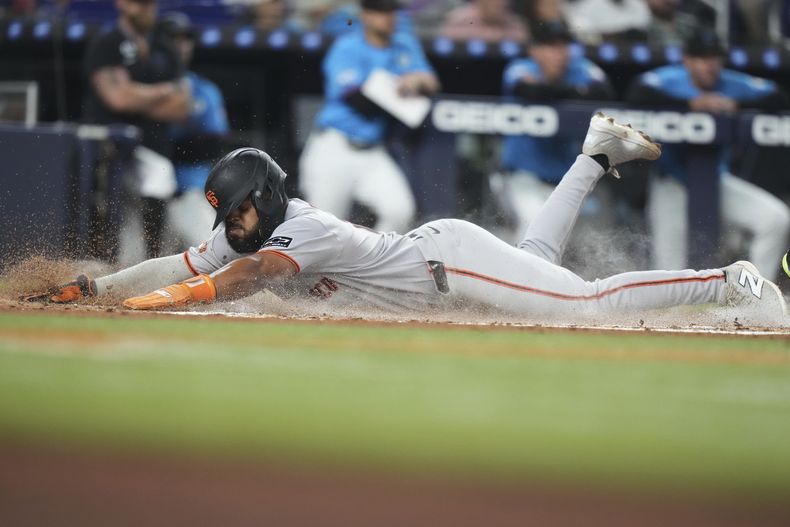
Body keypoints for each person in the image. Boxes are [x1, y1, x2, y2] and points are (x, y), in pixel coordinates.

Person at [34, 114, 788, 321]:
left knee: (585, 305)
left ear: (262, 197)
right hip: (443, 273)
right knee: (541, 268)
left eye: (237, 213)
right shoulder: (245, 233)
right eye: (227, 218)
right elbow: (186, 263)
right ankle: (594, 155)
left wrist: (167, 302)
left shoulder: (299, 229)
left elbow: (249, 275)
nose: (231, 227)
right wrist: (100, 289)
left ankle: (732, 280)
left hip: (448, 263)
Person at [626, 28, 790, 281]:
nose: (710, 65)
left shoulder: (730, 83)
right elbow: (636, 92)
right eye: (702, 57)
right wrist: (690, 105)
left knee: (775, 219)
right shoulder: (671, 79)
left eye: (714, 57)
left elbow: (777, 96)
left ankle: (756, 294)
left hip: (715, 181)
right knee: (668, 268)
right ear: (687, 59)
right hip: (671, 182)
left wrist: (739, 105)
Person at [298, 0, 440, 234]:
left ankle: (376, 256)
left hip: (373, 152)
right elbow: (358, 99)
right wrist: (399, 86)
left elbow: (432, 83)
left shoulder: (404, 44)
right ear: (365, 15)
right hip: (334, 148)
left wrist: (417, 80)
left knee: (399, 211)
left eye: (392, 11)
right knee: (323, 227)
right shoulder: (347, 47)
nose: (389, 17)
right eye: (381, 12)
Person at [82, 0, 191, 260]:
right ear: (122, 3)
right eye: (139, 3)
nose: (146, 8)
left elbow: (181, 107)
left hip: (153, 147)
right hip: (111, 147)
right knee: (107, 203)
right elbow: (117, 98)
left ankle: (152, 261)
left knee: (159, 181)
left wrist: (135, 97)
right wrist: (164, 91)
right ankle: (99, 259)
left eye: (150, 3)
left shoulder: (165, 48)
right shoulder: (108, 43)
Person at [497, 19, 614, 240]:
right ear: (535, 50)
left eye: (563, 46)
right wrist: (576, 92)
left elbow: (603, 91)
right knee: (531, 228)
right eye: (551, 46)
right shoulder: (520, 68)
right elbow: (529, 91)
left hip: (566, 184)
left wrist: (553, 92)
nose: (559, 54)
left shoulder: (580, 68)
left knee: (591, 241)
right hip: (525, 179)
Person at [158, 12, 231, 251]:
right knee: (132, 261)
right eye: (172, 38)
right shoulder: (139, 85)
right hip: (144, 197)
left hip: (188, 193)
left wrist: (164, 145)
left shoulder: (203, 90)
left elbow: (213, 145)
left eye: (185, 38)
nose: (180, 45)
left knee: (218, 253)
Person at [440, 0, 529, 44]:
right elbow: (446, 42)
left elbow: (524, 42)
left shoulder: (515, 23)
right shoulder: (459, 19)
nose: (498, 2)